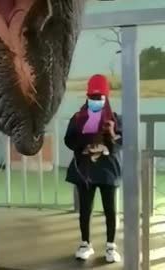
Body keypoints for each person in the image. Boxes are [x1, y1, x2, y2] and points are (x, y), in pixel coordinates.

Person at [64, 74, 122, 263]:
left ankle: (111, 246)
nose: (96, 101)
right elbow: (69, 140)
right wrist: (84, 143)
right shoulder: (78, 117)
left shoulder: (115, 119)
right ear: (87, 96)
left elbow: (122, 142)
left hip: (107, 172)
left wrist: (111, 133)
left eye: (99, 98)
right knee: (85, 209)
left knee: (110, 210)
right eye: (93, 98)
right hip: (85, 171)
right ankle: (85, 243)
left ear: (106, 97)